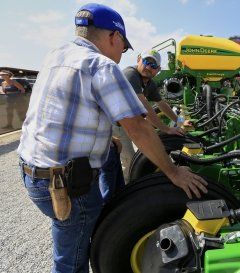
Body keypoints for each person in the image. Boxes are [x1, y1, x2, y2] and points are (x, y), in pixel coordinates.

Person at [17, 3, 207, 273]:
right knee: (71, 262)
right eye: (124, 47)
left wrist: (106, 141)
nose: (121, 53)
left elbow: (65, 112)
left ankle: (107, 219)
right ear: (113, 37)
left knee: (80, 226)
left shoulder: (56, 55)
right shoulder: (100, 65)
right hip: (65, 184)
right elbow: (137, 128)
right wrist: (174, 172)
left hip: (34, 171)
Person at [114, 49, 192, 183]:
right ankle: (128, 194)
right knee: (130, 162)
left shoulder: (150, 83)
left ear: (158, 69)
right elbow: (144, 105)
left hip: (129, 123)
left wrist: (181, 121)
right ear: (139, 59)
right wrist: (166, 129)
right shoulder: (130, 75)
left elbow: (162, 104)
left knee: (138, 157)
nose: (149, 67)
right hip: (115, 125)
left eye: (153, 65)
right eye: (146, 62)